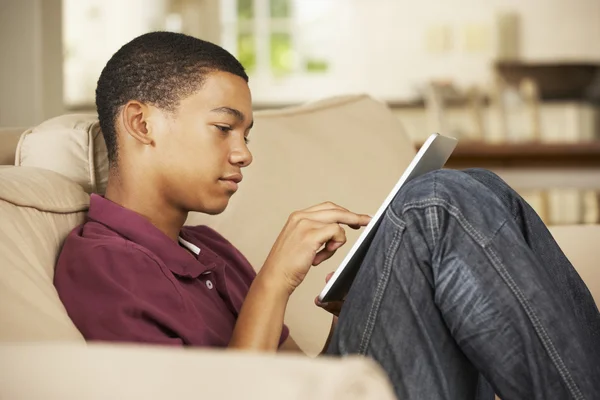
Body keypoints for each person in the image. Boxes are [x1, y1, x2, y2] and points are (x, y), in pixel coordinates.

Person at [54, 31, 600, 400]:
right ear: (142, 124)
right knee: (431, 205)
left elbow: (305, 375)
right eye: (224, 127)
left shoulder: (209, 249)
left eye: (247, 134)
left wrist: (369, 300)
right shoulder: (101, 262)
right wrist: (276, 279)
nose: (244, 153)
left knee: (476, 188)